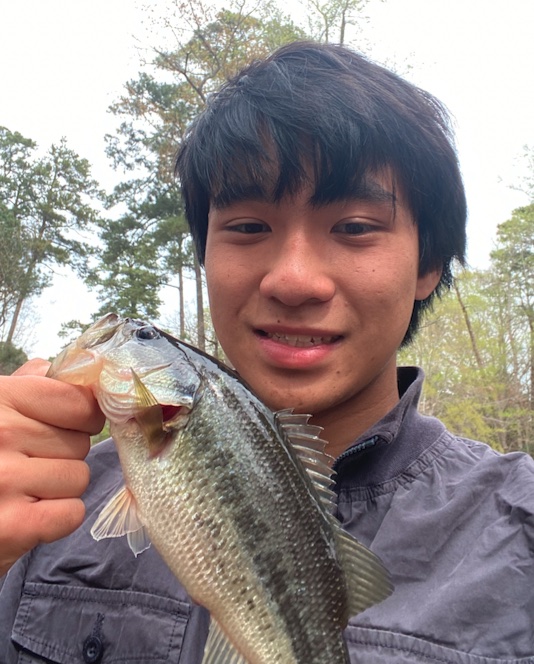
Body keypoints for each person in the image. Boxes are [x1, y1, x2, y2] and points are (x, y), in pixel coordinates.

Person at [1, 40, 533, 663]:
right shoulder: (46, 508)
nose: (293, 280)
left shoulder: (517, 530)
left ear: (428, 264)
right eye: (249, 227)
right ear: (205, 257)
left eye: (355, 228)